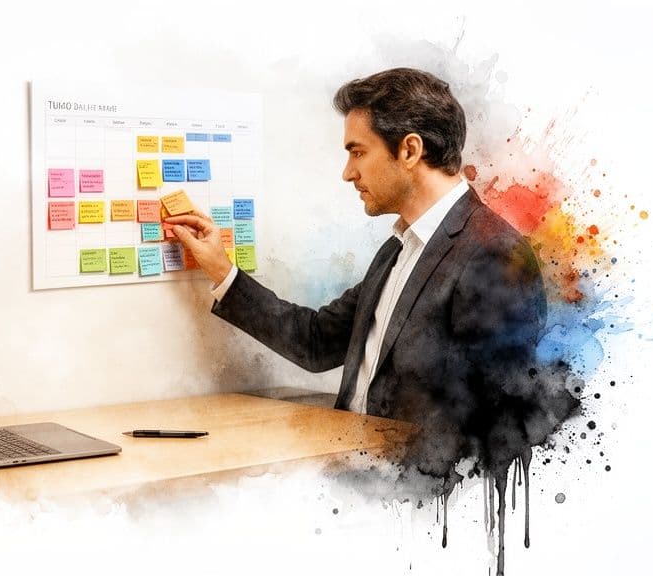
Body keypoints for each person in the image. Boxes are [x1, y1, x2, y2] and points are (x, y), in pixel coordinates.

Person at [166, 68, 577, 481]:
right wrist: (221, 269)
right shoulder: (397, 250)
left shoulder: (495, 254)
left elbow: (495, 426)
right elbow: (316, 342)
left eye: (357, 152)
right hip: (350, 475)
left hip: (408, 502)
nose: (348, 172)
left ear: (410, 150)